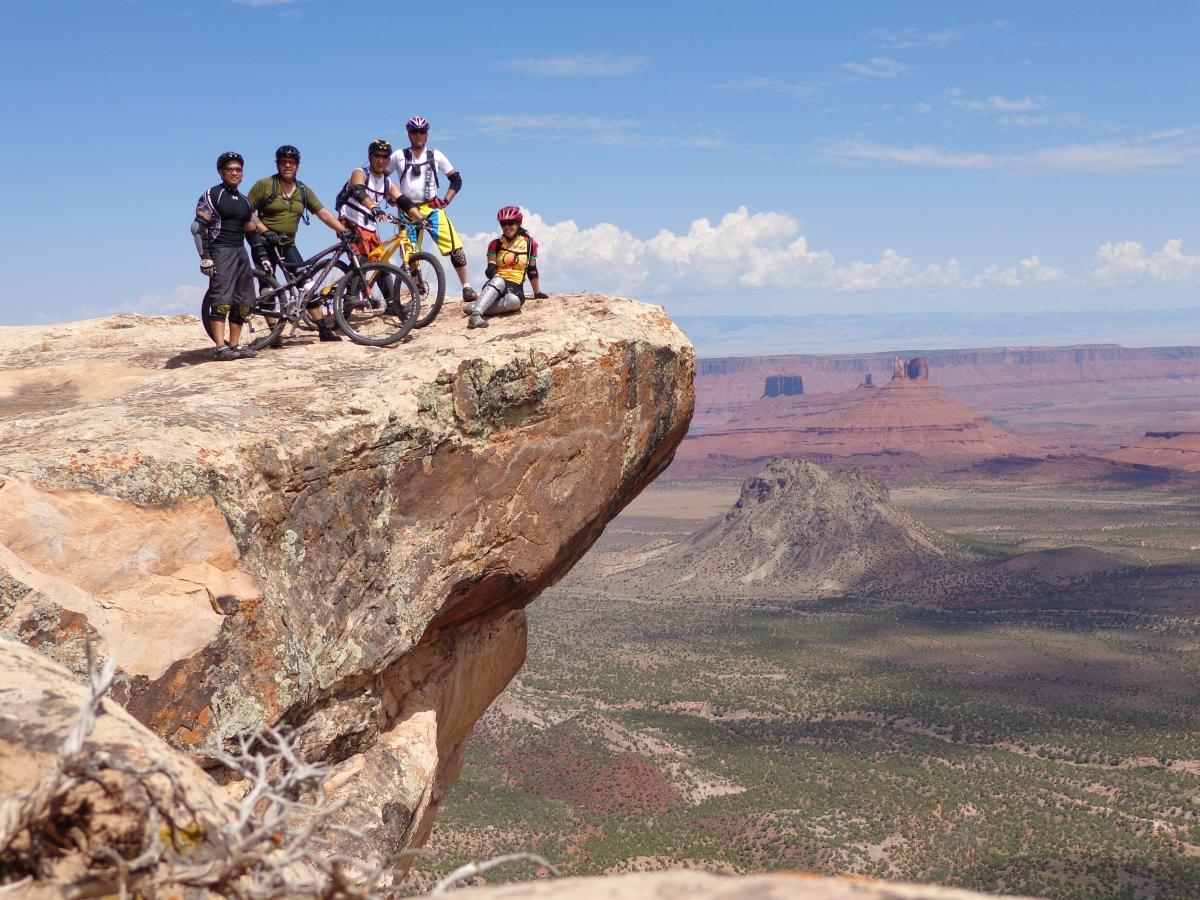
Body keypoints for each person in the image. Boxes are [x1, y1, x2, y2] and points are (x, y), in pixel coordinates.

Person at [247, 144, 352, 342]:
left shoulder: (303, 190)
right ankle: (273, 335)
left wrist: (342, 229)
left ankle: (322, 328)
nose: (288, 165)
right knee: (268, 287)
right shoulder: (265, 185)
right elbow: (247, 211)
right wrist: (264, 230)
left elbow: (322, 212)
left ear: (297, 165)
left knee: (307, 283)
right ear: (277, 164)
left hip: (287, 244)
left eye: (292, 162)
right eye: (283, 162)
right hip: (264, 243)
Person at [387, 116, 477, 302]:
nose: (418, 135)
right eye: (414, 132)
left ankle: (466, 287)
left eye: (422, 131)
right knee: (409, 254)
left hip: (431, 207)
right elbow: (382, 180)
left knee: (454, 246)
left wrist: (446, 200)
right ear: (408, 134)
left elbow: (456, 179)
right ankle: (416, 292)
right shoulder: (398, 156)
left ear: (427, 133)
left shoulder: (436, 155)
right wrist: (391, 198)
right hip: (407, 209)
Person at [192, 151, 266, 360]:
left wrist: (262, 256)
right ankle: (220, 348)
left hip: (240, 251)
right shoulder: (213, 195)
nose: (234, 173)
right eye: (230, 169)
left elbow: (251, 231)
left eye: (238, 169)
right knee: (222, 300)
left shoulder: (244, 201)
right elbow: (198, 227)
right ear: (221, 172)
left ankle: (234, 345)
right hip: (221, 250)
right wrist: (205, 256)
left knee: (243, 302)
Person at [465, 206, 549, 329]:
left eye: (511, 223)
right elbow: (490, 269)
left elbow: (532, 270)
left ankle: (474, 307)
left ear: (518, 223)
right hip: (496, 284)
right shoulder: (495, 244)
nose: (507, 226)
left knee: (515, 302)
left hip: (515, 286)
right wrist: (494, 274)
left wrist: (537, 293)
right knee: (499, 281)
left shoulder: (530, 244)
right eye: (503, 224)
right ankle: (475, 316)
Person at [336, 138, 418, 263]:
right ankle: (351, 282)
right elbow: (359, 191)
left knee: (382, 269)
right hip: (349, 221)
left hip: (370, 227)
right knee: (361, 260)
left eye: (385, 157)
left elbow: (403, 201)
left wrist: (421, 218)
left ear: (389, 159)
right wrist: (374, 207)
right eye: (377, 156)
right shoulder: (360, 173)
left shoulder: (387, 182)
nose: (381, 160)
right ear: (370, 157)